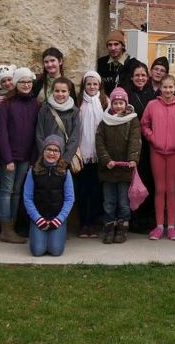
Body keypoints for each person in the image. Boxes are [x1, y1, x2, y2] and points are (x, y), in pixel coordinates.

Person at [141, 74, 175, 240]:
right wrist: (152, 138)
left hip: (174, 153)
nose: (168, 90)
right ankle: (159, 226)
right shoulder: (152, 105)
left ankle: (171, 227)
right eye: (165, 87)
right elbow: (144, 124)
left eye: (171, 87)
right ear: (160, 88)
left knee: (171, 189)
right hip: (157, 152)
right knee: (160, 189)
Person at [0, 67, 39, 244]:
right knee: (6, 191)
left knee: (16, 192)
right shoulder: (7, 103)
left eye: (29, 82)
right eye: (22, 82)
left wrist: (32, 158)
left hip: (26, 157)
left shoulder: (36, 104)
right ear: (16, 84)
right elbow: (2, 132)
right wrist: (7, 158)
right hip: (10, 157)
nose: (26, 85)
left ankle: (11, 227)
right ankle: (5, 228)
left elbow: (36, 132)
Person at [96, 86, 141, 244]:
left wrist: (133, 159)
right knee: (109, 201)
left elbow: (135, 141)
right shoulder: (104, 121)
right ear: (111, 104)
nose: (118, 106)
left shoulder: (132, 120)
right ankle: (109, 227)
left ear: (126, 103)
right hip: (108, 168)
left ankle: (122, 228)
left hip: (124, 169)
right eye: (115, 103)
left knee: (123, 201)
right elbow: (99, 142)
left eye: (121, 103)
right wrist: (106, 159)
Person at [24, 135, 75, 257]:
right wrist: (37, 219)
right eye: (49, 149)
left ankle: (55, 235)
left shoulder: (65, 173)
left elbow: (69, 199)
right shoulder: (33, 172)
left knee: (56, 251)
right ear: (43, 151)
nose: (52, 153)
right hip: (39, 218)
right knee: (37, 251)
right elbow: (27, 198)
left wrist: (59, 219)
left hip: (57, 218)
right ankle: (39, 235)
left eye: (56, 150)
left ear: (60, 153)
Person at [125, 63, 157, 233]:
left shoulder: (152, 94)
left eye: (143, 75)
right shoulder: (127, 95)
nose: (140, 78)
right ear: (131, 77)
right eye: (137, 75)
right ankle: (134, 219)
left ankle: (148, 219)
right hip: (133, 145)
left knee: (149, 182)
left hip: (149, 144)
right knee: (134, 182)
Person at [75, 72, 107, 238]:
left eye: (95, 84)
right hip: (81, 153)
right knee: (82, 190)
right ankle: (83, 223)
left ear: (99, 85)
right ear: (84, 85)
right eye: (89, 84)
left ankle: (92, 223)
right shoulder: (79, 102)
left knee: (96, 190)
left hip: (98, 153)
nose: (92, 87)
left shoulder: (104, 102)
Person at [35, 77, 80, 165]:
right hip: (46, 157)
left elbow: (74, 137)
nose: (60, 94)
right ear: (52, 92)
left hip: (64, 159)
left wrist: (65, 159)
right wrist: (45, 154)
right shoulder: (45, 110)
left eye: (63, 91)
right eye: (57, 91)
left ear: (69, 93)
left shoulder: (74, 111)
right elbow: (39, 134)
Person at [96, 30, 142, 96]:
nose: (113, 48)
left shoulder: (133, 64)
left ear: (122, 46)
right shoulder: (101, 63)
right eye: (110, 45)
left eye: (116, 44)